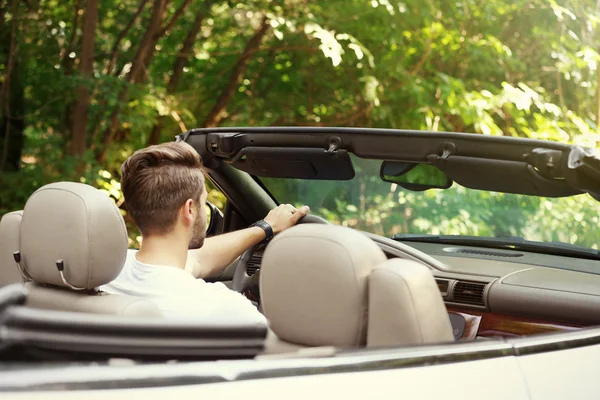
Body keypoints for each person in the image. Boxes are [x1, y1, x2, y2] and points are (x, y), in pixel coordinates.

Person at [99, 141, 310, 323]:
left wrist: (265, 228)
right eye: (204, 201)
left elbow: (198, 259)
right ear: (189, 209)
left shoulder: (103, 274)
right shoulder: (223, 309)